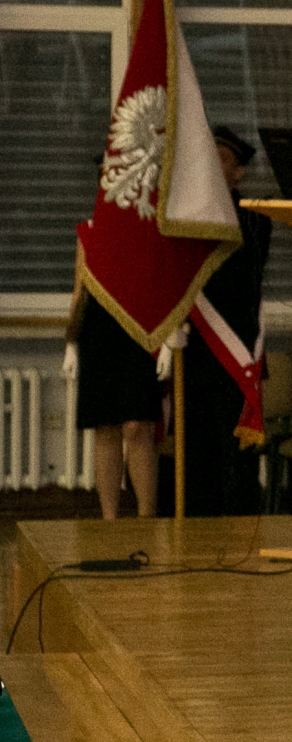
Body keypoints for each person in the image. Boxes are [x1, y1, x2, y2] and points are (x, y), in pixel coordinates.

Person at [178, 125, 271, 516]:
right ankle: (196, 533)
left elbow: (239, 281)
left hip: (233, 350)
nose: (212, 164)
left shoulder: (253, 219)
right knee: (197, 456)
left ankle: (238, 531)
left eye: (223, 158)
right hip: (195, 349)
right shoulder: (185, 216)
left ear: (239, 172)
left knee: (235, 459)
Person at [66, 155, 161, 519]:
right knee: (105, 428)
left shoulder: (148, 226)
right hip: (98, 332)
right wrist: (71, 343)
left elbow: (162, 287)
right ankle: (109, 521)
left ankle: (146, 517)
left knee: (137, 426)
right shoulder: (89, 230)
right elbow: (80, 290)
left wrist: (167, 337)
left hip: (138, 330)